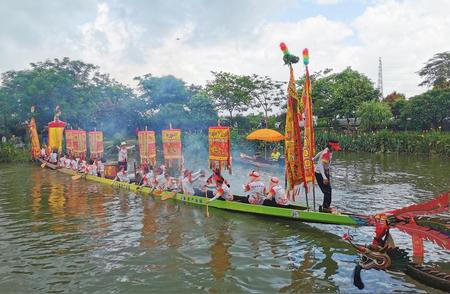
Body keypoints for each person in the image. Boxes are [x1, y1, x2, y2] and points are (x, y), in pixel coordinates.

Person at [313, 140, 341, 212]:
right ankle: (325, 208)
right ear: (331, 146)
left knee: (328, 190)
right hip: (320, 173)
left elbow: (320, 153)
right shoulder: (326, 153)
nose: (335, 149)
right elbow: (320, 165)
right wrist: (324, 177)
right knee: (327, 191)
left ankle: (326, 206)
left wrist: (313, 159)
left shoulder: (328, 151)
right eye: (335, 147)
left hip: (324, 173)